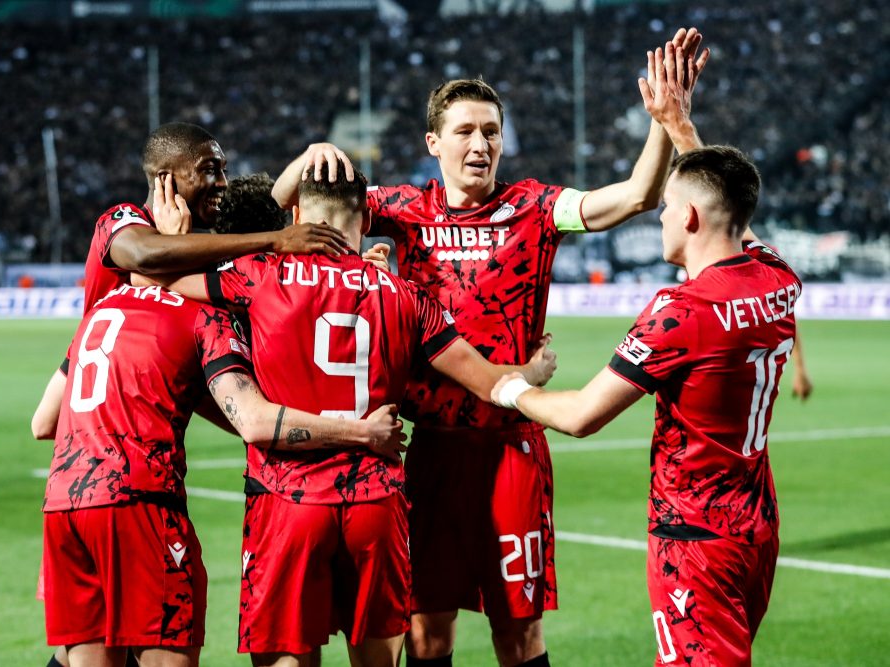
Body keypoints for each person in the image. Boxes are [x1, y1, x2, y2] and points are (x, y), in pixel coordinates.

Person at [271, 30, 708, 667]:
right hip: (430, 454)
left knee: (519, 634)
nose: (481, 144)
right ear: (433, 143)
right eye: (466, 131)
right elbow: (291, 208)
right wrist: (306, 157)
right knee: (425, 634)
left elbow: (637, 196)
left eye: (492, 131)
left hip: (512, 448)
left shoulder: (534, 206)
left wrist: (666, 121)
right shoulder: (398, 208)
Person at [143, 162, 556, 667]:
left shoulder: (259, 276)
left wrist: (173, 236)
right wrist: (530, 373)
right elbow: (488, 381)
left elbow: (156, 274)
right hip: (375, 504)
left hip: (287, 499)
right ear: (364, 218)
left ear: (296, 215)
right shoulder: (406, 296)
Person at [35, 122, 349, 667]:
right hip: (136, 489)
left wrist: (300, 171)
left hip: (74, 472)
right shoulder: (128, 225)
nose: (222, 181)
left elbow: (44, 421)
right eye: (209, 169)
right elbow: (150, 254)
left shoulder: (136, 295)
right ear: (165, 181)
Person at [490, 145, 799, 666]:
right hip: (755, 527)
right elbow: (733, 210)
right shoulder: (778, 278)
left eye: (668, 205)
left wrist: (510, 389)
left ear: (691, 217)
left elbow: (582, 415)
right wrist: (681, 129)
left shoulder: (682, 311)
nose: (661, 215)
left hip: (695, 538)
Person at [43, 279, 405, 667]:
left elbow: (42, 422)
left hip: (64, 502)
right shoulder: (201, 314)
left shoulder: (102, 307)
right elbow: (253, 422)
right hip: (139, 502)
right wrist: (362, 432)